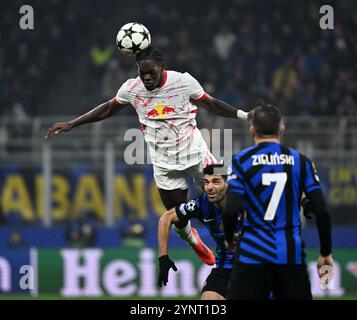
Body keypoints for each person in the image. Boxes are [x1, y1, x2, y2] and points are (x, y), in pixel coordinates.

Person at [45, 45, 248, 266]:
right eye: (142, 73)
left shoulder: (183, 81)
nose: (147, 77)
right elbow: (107, 108)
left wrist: (244, 115)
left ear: (163, 67)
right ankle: (193, 240)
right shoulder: (132, 88)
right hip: (164, 166)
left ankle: (243, 241)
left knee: (228, 198)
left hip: (198, 155)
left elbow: (211, 104)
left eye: (151, 72)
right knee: (177, 219)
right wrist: (73, 124)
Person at [223, 103, 333, 300]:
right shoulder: (301, 161)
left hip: (251, 255)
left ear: (252, 130)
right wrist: (325, 252)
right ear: (282, 128)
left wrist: (229, 238)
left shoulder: (241, 161)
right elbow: (322, 210)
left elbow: (230, 210)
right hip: (289, 255)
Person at [157, 165, 242, 300]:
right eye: (206, 182)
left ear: (228, 184)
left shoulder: (245, 201)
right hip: (225, 267)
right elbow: (166, 218)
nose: (209, 187)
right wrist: (163, 257)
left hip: (253, 265)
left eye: (216, 181)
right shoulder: (202, 204)